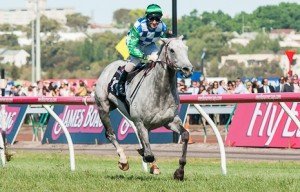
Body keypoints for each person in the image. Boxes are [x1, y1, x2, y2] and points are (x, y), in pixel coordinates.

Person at [116, 4, 170, 96]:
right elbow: (132, 47)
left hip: (149, 44)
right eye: (151, 19)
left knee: (159, 58)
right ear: (147, 18)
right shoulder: (139, 27)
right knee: (135, 62)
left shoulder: (162, 26)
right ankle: (120, 84)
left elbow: (166, 40)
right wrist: (146, 57)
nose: (154, 22)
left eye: (157, 19)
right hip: (135, 45)